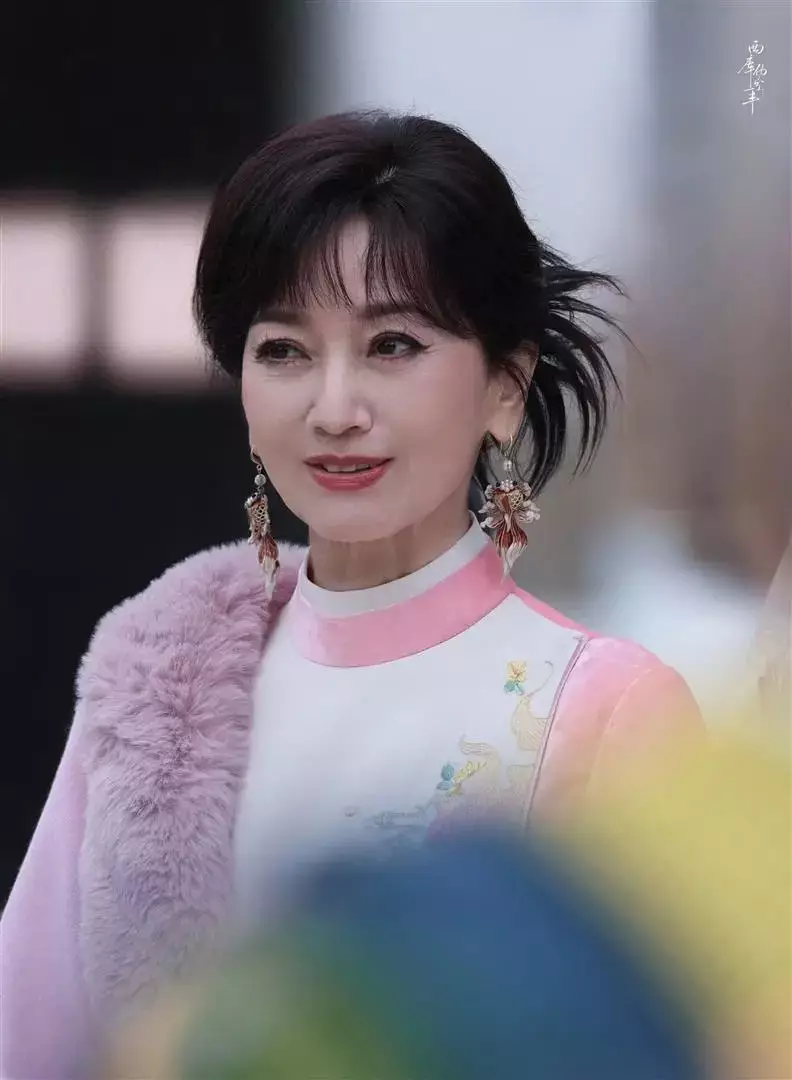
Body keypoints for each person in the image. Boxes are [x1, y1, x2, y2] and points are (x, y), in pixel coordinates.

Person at [0, 108, 703, 1080]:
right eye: (284, 350)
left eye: (393, 345)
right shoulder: (156, 683)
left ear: (505, 385)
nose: (334, 409)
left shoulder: (604, 709)